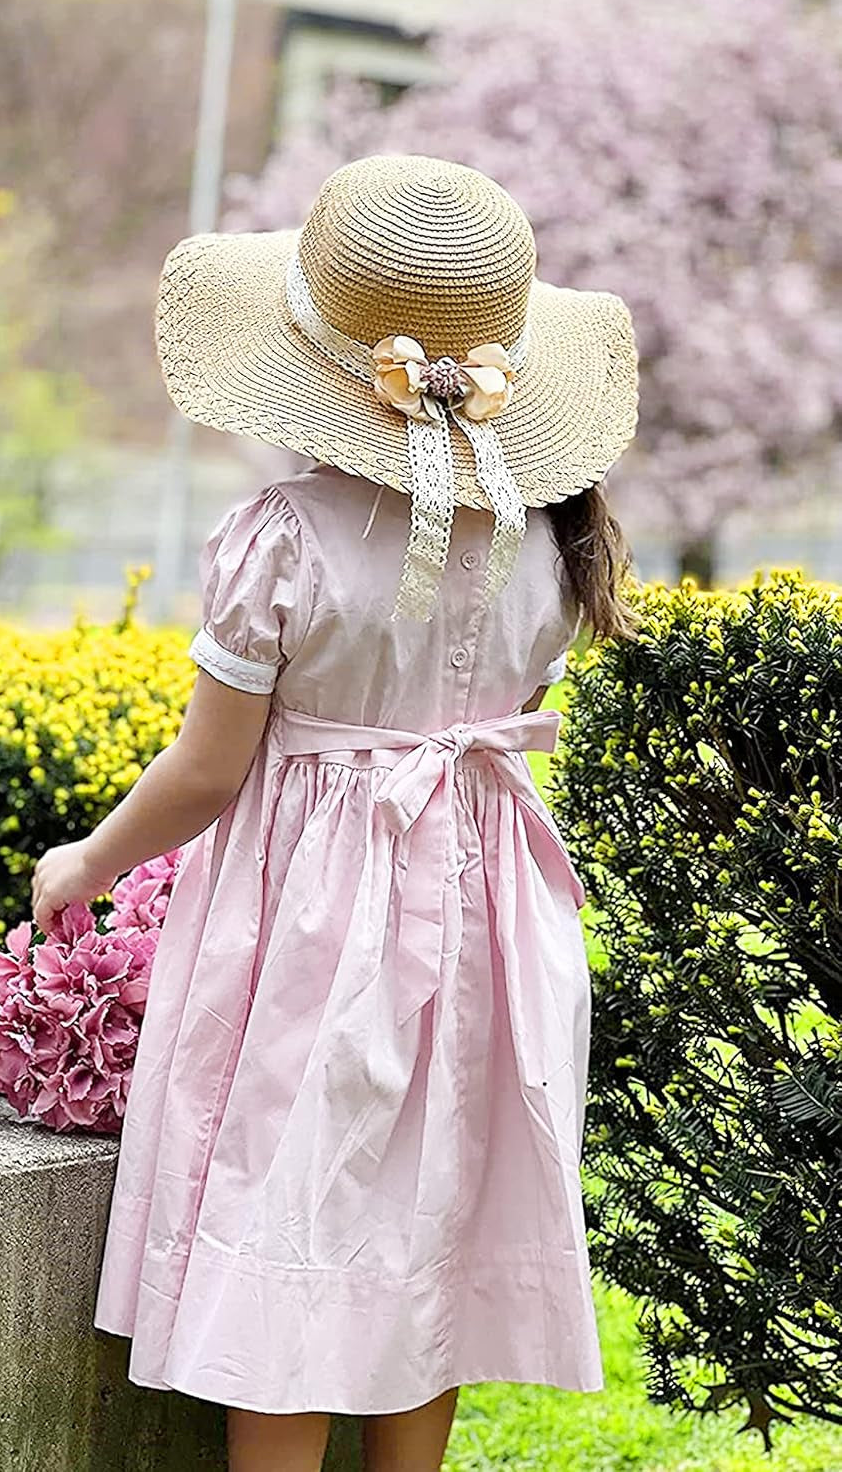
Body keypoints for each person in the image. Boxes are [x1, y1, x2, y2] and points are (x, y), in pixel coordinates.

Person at [31, 154, 640, 1472]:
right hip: (488, 907)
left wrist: (86, 859)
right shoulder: (549, 537)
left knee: (295, 1215)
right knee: (431, 1219)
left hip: (317, 916)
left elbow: (207, 770)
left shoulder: (284, 541)